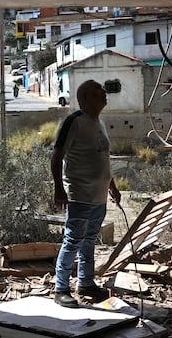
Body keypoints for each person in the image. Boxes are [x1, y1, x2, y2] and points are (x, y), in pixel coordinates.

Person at [51, 79, 121, 307]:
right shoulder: (74, 121)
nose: (104, 92)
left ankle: (86, 283)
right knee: (73, 241)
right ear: (85, 99)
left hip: (98, 196)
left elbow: (103, 157)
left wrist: (112, 186)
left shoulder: (99, 122)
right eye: (97, 90)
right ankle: (61, 289)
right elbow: (57, 156)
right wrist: (59, 188)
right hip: (80, 194)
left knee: (89, 241)